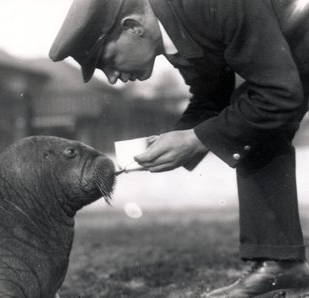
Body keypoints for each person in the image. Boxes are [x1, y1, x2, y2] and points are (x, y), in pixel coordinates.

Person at [49, 0, 309, 296]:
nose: (112, 78)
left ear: (133, 27)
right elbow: (212, 98)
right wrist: (175, 139)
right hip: (298, 51)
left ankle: (281, 264)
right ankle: (281, 266)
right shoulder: (173, 28)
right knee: (249, 122)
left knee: (254, 113)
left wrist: (194, 140)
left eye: (106, 61)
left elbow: (279, 94)